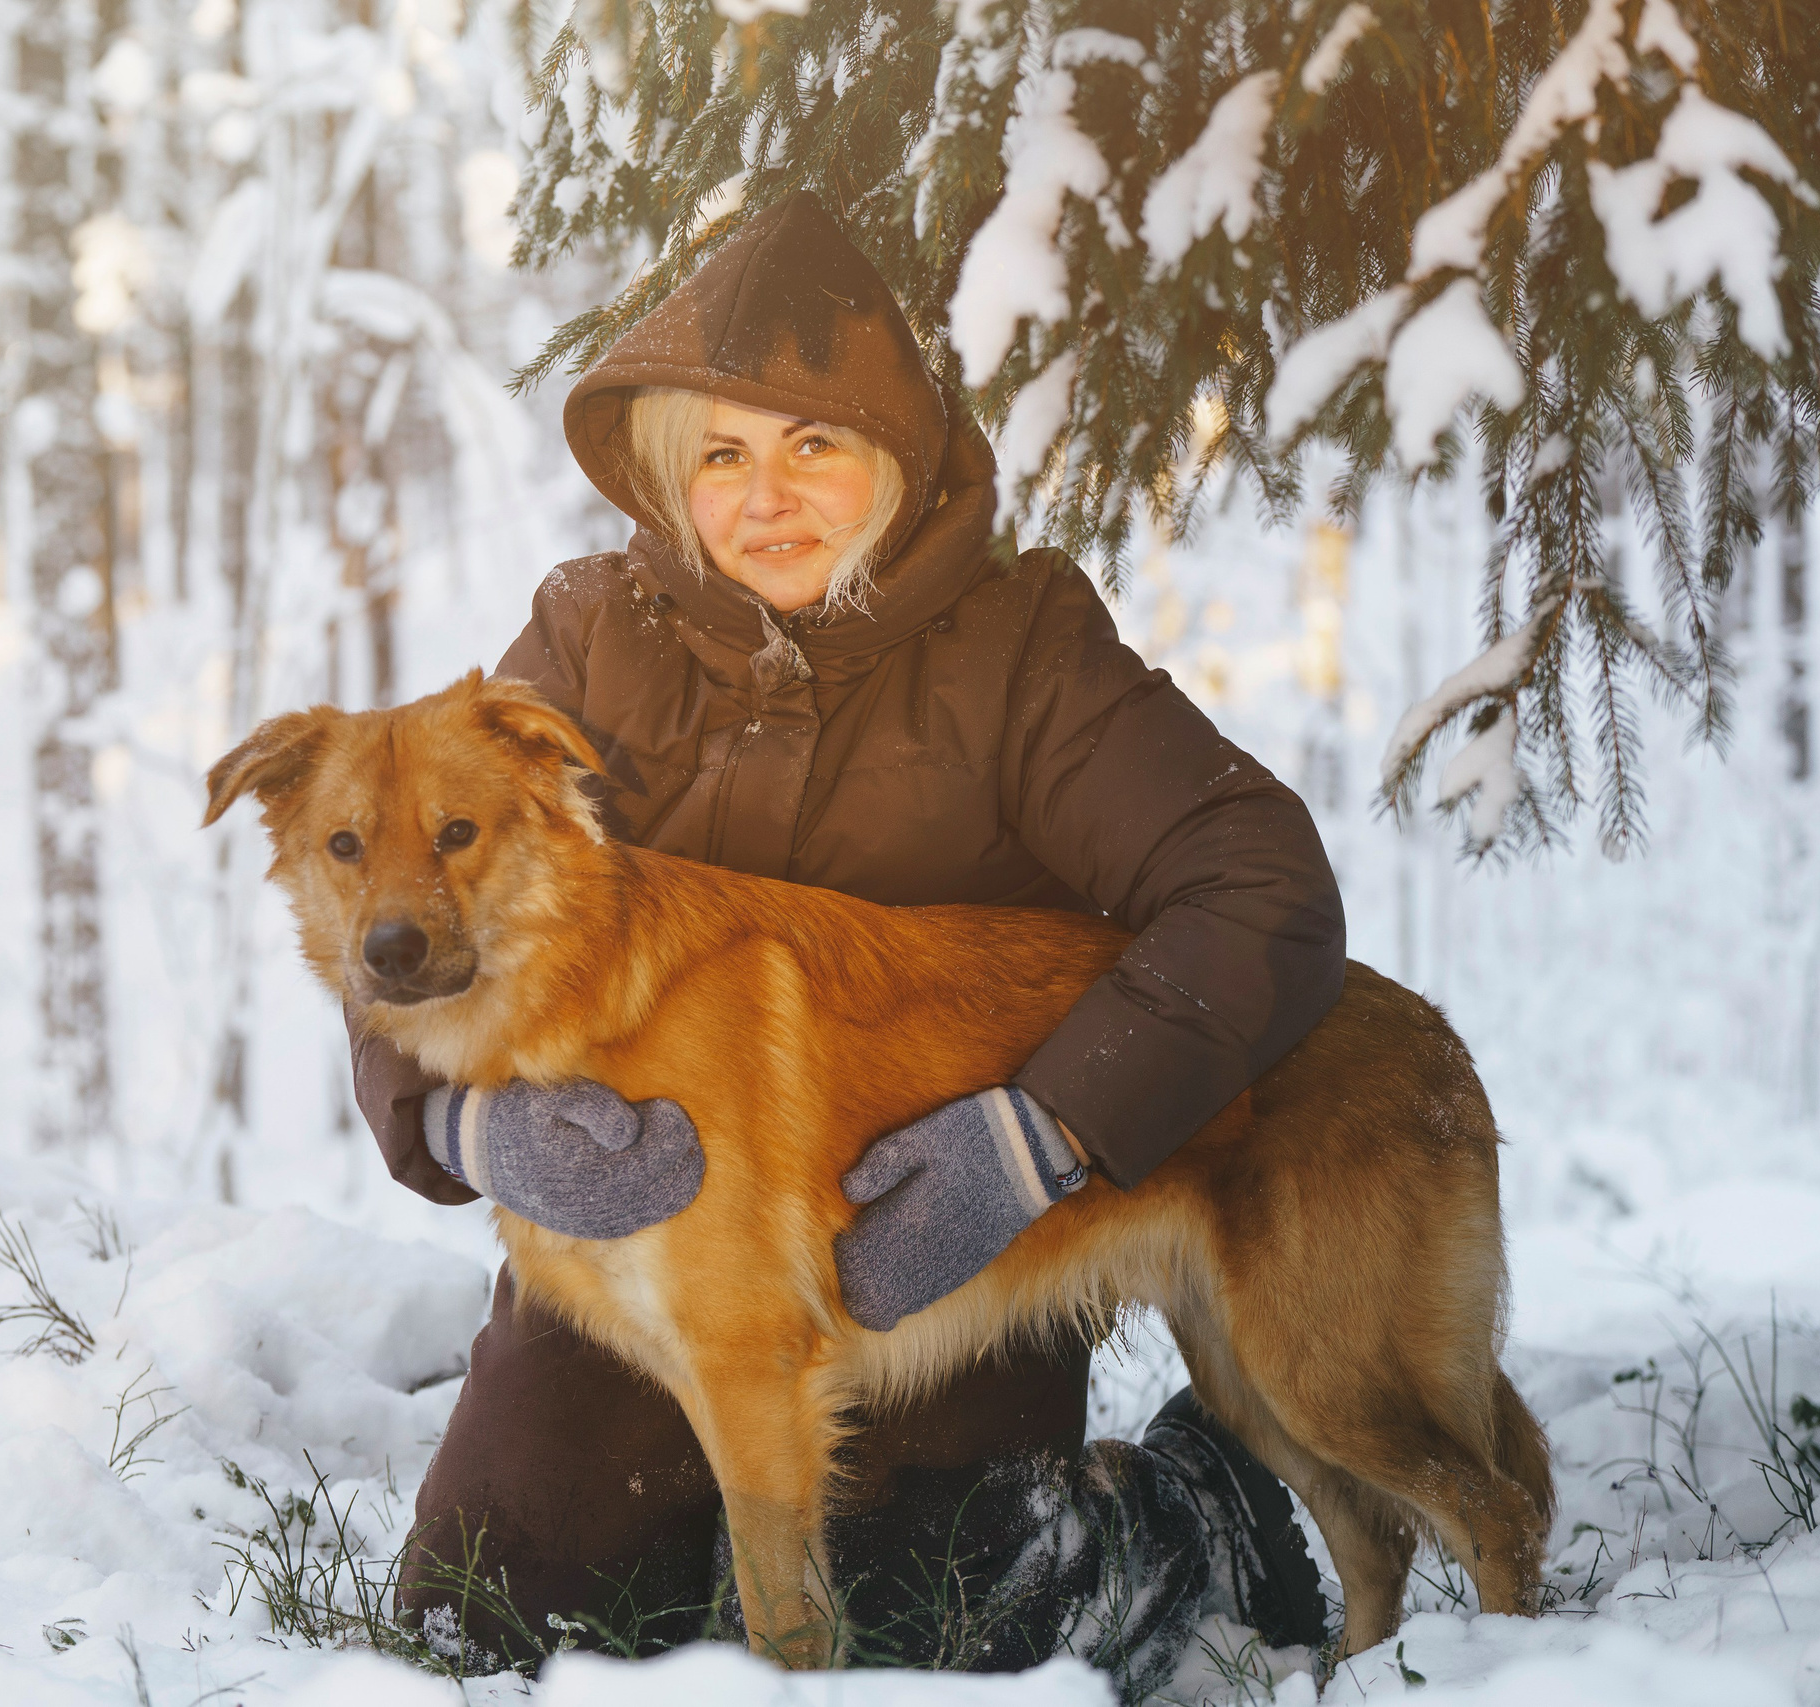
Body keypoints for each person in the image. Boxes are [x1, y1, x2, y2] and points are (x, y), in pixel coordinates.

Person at [347, 193, 1348, 1694]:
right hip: (630, 1250)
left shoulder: (1021, 652)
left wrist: (1045, 1138)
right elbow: (406, 900)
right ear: (672, 479)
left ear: (897, 453)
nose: (769, 498)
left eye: (814, 444)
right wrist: (463, 1125)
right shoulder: (586, 641)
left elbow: (1261, 884)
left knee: (924, 1627)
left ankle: (1191, 1512)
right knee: (489, 1613)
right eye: (723, 455)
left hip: (922, 1251)